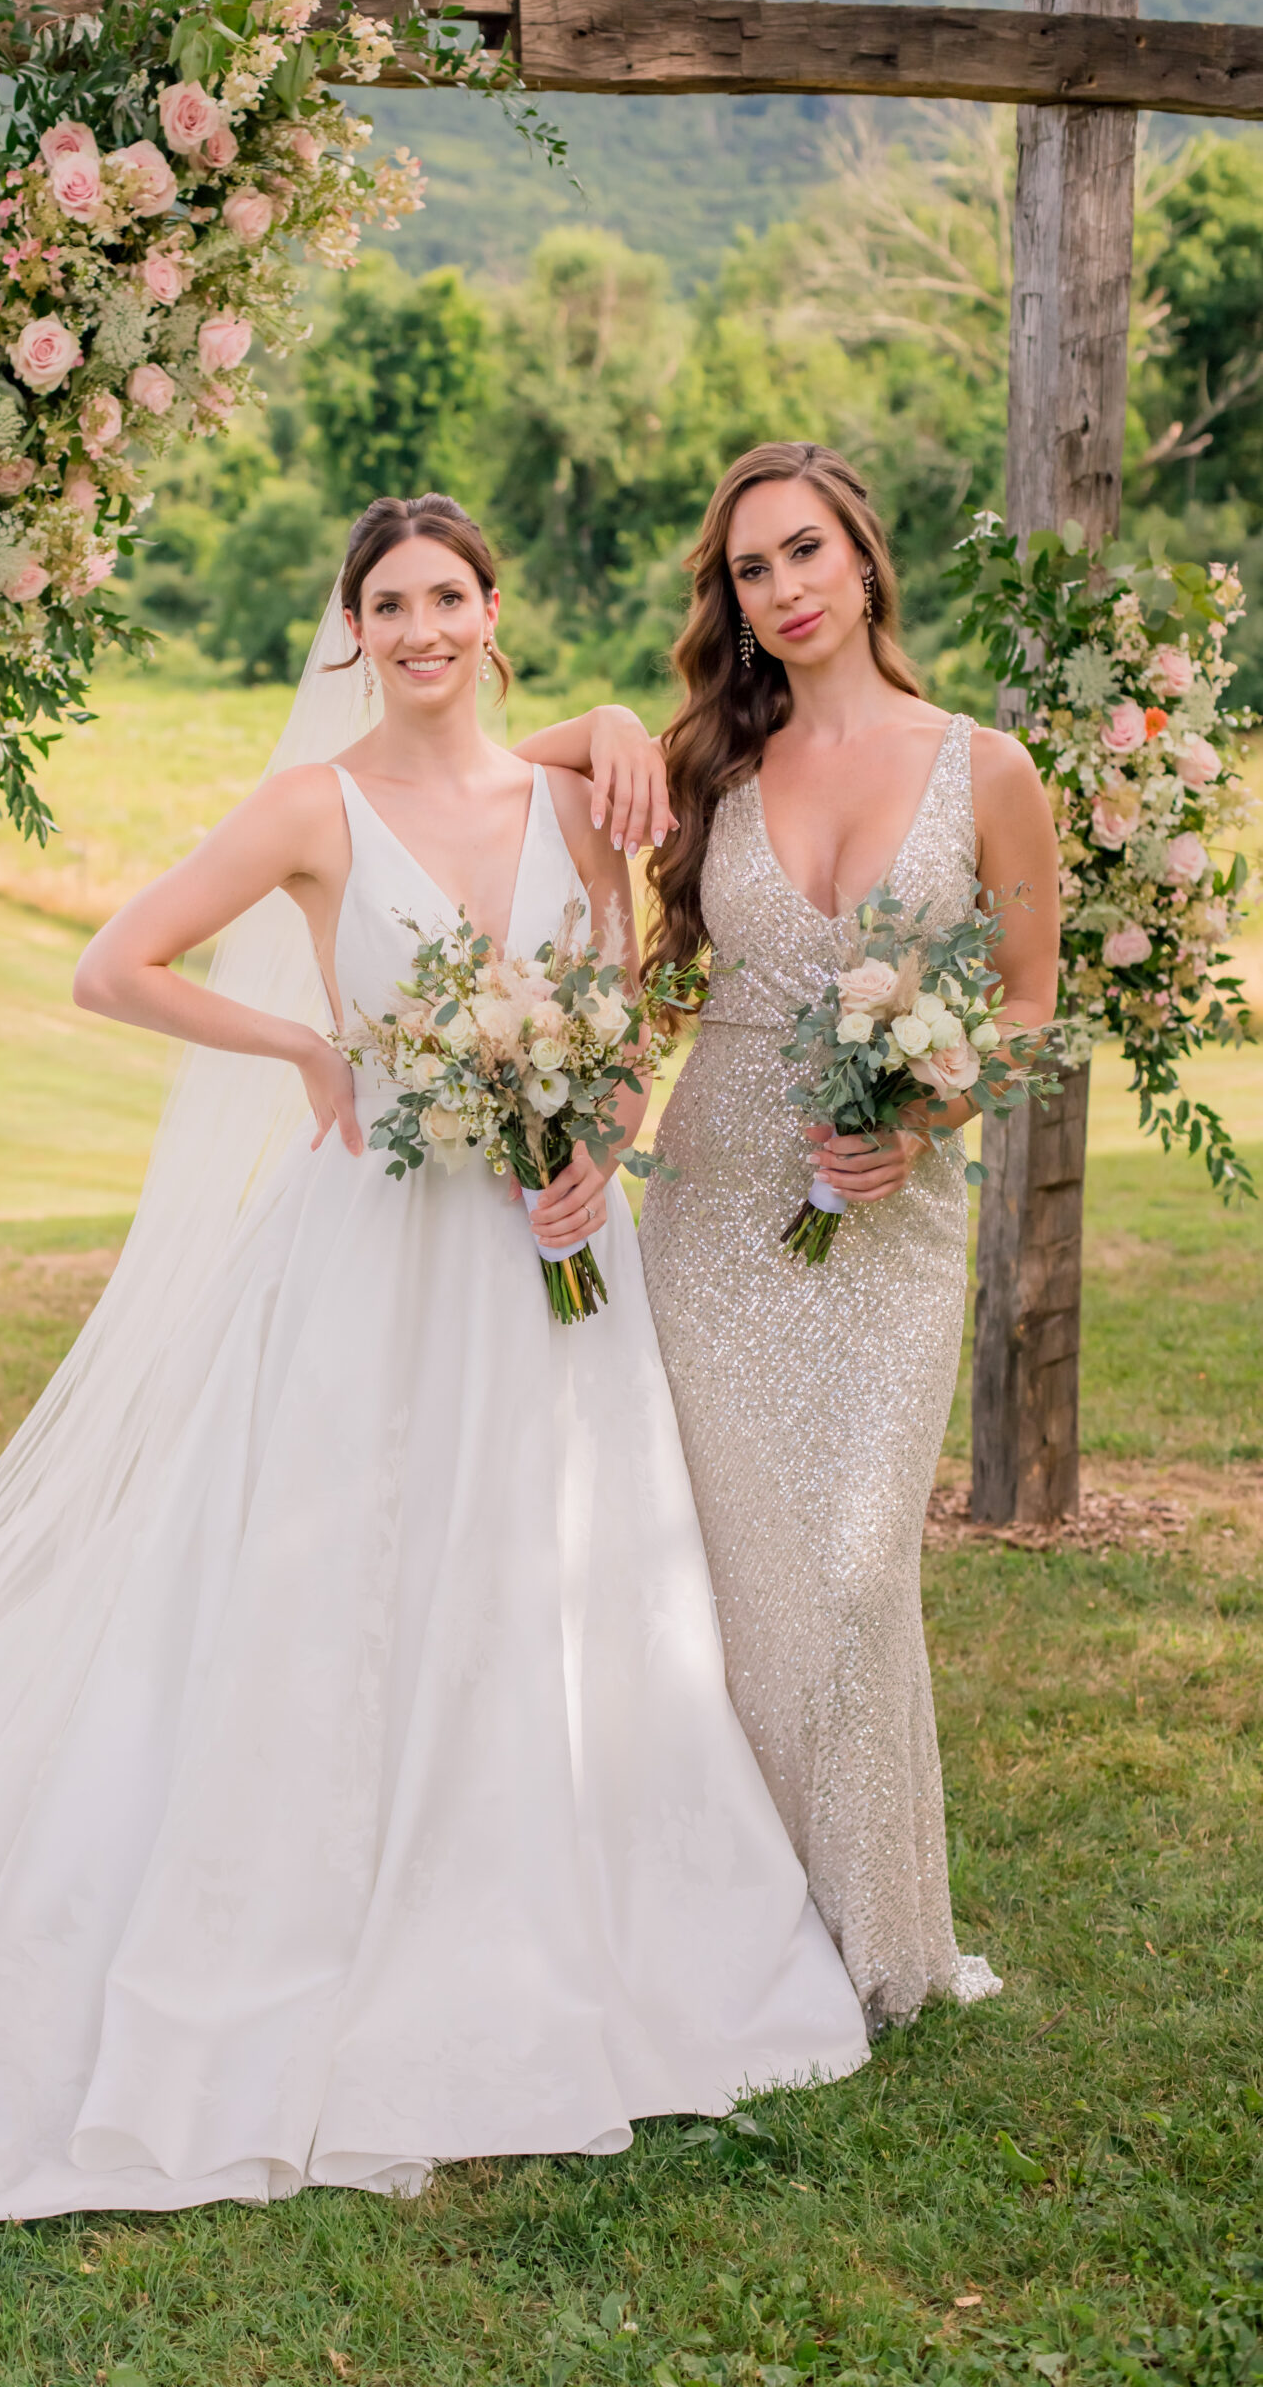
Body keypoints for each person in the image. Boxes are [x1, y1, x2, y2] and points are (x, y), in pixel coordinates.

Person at [0, 493, 867, 2227]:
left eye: (448, 597)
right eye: (387, 603)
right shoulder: (311, 810)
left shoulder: (577, 801)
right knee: (330, 1588)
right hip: (374, 1257)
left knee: (547, 1587)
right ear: (352, 632)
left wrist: (597, 1146)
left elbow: (623, 1014)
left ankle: (554, 1915)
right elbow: (117, 966)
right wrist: (308, 1050)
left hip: (556, 1263)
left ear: (493, 611)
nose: (419, 630)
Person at [613, 442, 1059, 2031]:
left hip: (886, 1224)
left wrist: (923, 1116)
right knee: (719, 1576)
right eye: (750, 570)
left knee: (856, 1569)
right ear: (729, 601)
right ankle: (733, 1931)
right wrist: (603, 725)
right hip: (718, 1193)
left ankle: (872, 1940)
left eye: (805, 553)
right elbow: (490, 776)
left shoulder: (985, 768)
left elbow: (1024, 1011)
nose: (783, 590)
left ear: (863, 561)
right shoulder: (706, 765)